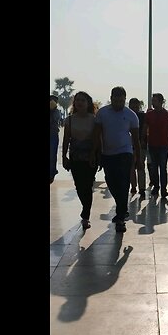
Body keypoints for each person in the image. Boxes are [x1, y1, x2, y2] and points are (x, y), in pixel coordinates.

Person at [92, 86, 141, 232]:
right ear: (111, 98)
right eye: (116, 100)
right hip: (107, 154)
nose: (118, 103)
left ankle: (120, 217)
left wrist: (138, 158)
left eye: (121, 100)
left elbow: (136, 139)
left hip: (125, 153)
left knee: (123, 182)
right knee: (111, 182)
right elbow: (97, 135)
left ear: (125, 99)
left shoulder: (131, 115)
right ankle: (122, 208)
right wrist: (95, 152)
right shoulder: (103, 113)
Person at [61, 91, 98, 230]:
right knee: (79, 185)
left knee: (87, 186)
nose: (80, 103)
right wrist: (64, 157)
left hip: (90, 157)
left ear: (88, 103)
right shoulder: (70, 119)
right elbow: (66, 140)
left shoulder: (94, 119)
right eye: (77, 100)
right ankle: (85, 207)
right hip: (75, 157)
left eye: (83, 100)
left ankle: (85, 215)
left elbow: (97, 140)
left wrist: (96, 155)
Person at [144, 93, 168, 198]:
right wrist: (143, 141)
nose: (153, 102)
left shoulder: (167, 115)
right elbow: (145, 128)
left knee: (163, 167)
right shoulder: (149, 114)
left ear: (161, 102)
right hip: (152, 144)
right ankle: (156, 187)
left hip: (163, 145)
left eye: (155, 100)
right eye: (152, 100)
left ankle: (164, 189)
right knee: (154, 167)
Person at [128, 97, 147, 197]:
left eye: (136, 106)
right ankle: (134, 186)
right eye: (133, 106)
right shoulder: (127, 115)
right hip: (129, 145)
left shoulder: (143, 116)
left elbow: (145, 128)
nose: (135, 108)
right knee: (131, 167)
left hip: (140, 144)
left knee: (140, 166)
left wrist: (143, 140)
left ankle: (142, 188)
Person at [50, 98, 62, 184]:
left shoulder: (56, 111)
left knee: (52, 154)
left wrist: (53, 110)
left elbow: (56, 119)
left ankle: (52, 171)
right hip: (53, 134)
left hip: (53, 134)